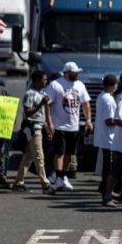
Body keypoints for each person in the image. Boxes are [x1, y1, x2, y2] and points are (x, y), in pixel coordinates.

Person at [45, 62, 92, 191]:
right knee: (59, 152)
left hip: (74, 126)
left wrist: (88, 120)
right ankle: (59, 177)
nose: (77, 74)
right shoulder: (55, 85)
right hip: (59, 126)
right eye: (74, 72)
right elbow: (47, 105)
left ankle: (64, 176)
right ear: (66, 72)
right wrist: (50, 124)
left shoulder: (80, 85)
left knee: (70, 154)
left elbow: (85, 104)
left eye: (77, 72)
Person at [13, 71, 52, 193]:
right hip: (33, 127)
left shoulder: (43, 93)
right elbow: (28, 112)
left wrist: (49, 127)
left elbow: (47, 112)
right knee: (39, 156)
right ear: (36, 80)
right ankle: (45, 183)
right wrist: (41, 103)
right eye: (43, 79)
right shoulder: (30, 94)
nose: (45, 82)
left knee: (28, 157)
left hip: (40, 126)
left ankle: (19, 182)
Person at [93, 74, 117, 194]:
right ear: (113, 86)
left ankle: (103, 186)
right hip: (109, 137)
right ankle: (106, 188)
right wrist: (121, 122)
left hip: (103, 136)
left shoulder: (101, 96)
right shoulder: (109, 100)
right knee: (109, 165)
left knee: (107, 163)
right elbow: (109, 120)